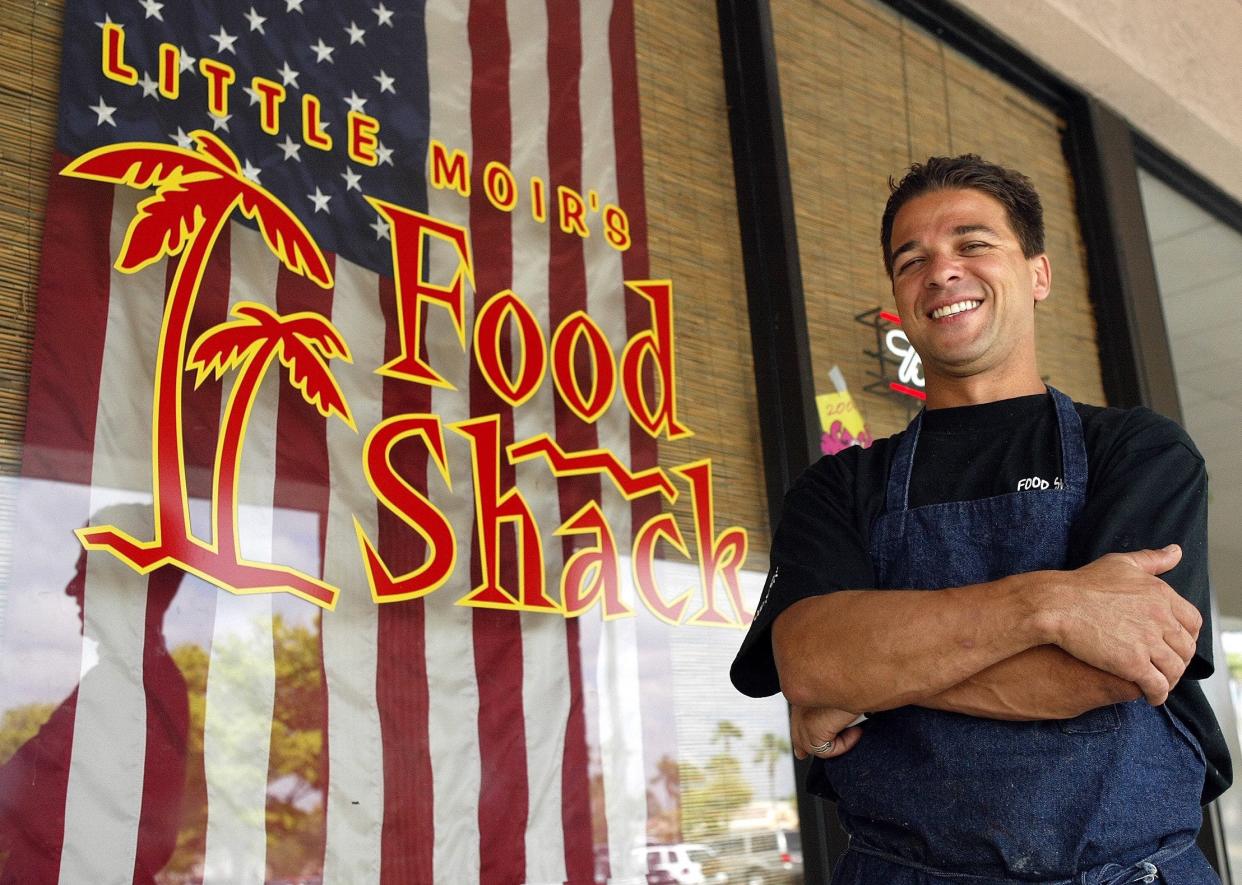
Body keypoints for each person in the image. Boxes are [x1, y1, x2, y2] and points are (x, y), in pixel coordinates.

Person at [730, 155, 1232, 884]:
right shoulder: (840, 485)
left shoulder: (1137, 450)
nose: (941, 271)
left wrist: (868, 676)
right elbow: (809, 661)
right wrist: (1051, 601)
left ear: (1038, 273)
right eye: (913, 259)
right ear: (900, 297)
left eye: (973, 243)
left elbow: (1118, 666)